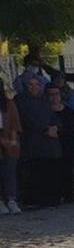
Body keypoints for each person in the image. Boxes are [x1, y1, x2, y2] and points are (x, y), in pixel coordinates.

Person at [14, 76, 62, 207]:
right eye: (30, 84)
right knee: (33, 171)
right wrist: (44, 128)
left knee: (48, 169)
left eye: (36, 84)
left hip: (49, 141)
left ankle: (50, 198)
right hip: (32, 140)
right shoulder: (20, 100)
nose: (34, 87)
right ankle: (33, 199)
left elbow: (53, 116)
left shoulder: (44, 100)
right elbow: (25, 119)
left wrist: (54, 127)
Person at [50, 72, 74, 181]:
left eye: (61, 79)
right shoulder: (50, 94)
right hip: (57, 127)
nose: (59, 81)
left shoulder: (71, 93)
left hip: (73, 127)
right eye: (57, 79)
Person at [46, 85, 74, 203]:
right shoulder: (45, 111)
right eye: (51, 94)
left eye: (56, 94)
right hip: (52, 144)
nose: (54, 97)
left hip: (68, 142)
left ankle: (68, 194)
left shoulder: (69, 110)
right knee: (54, 170)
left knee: (68, 168)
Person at [0, 77, 21, 214]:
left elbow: (14, 123)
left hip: (9, 141)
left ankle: (11, 199)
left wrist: (12, 141)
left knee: (10, 171)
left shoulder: (8, 104)